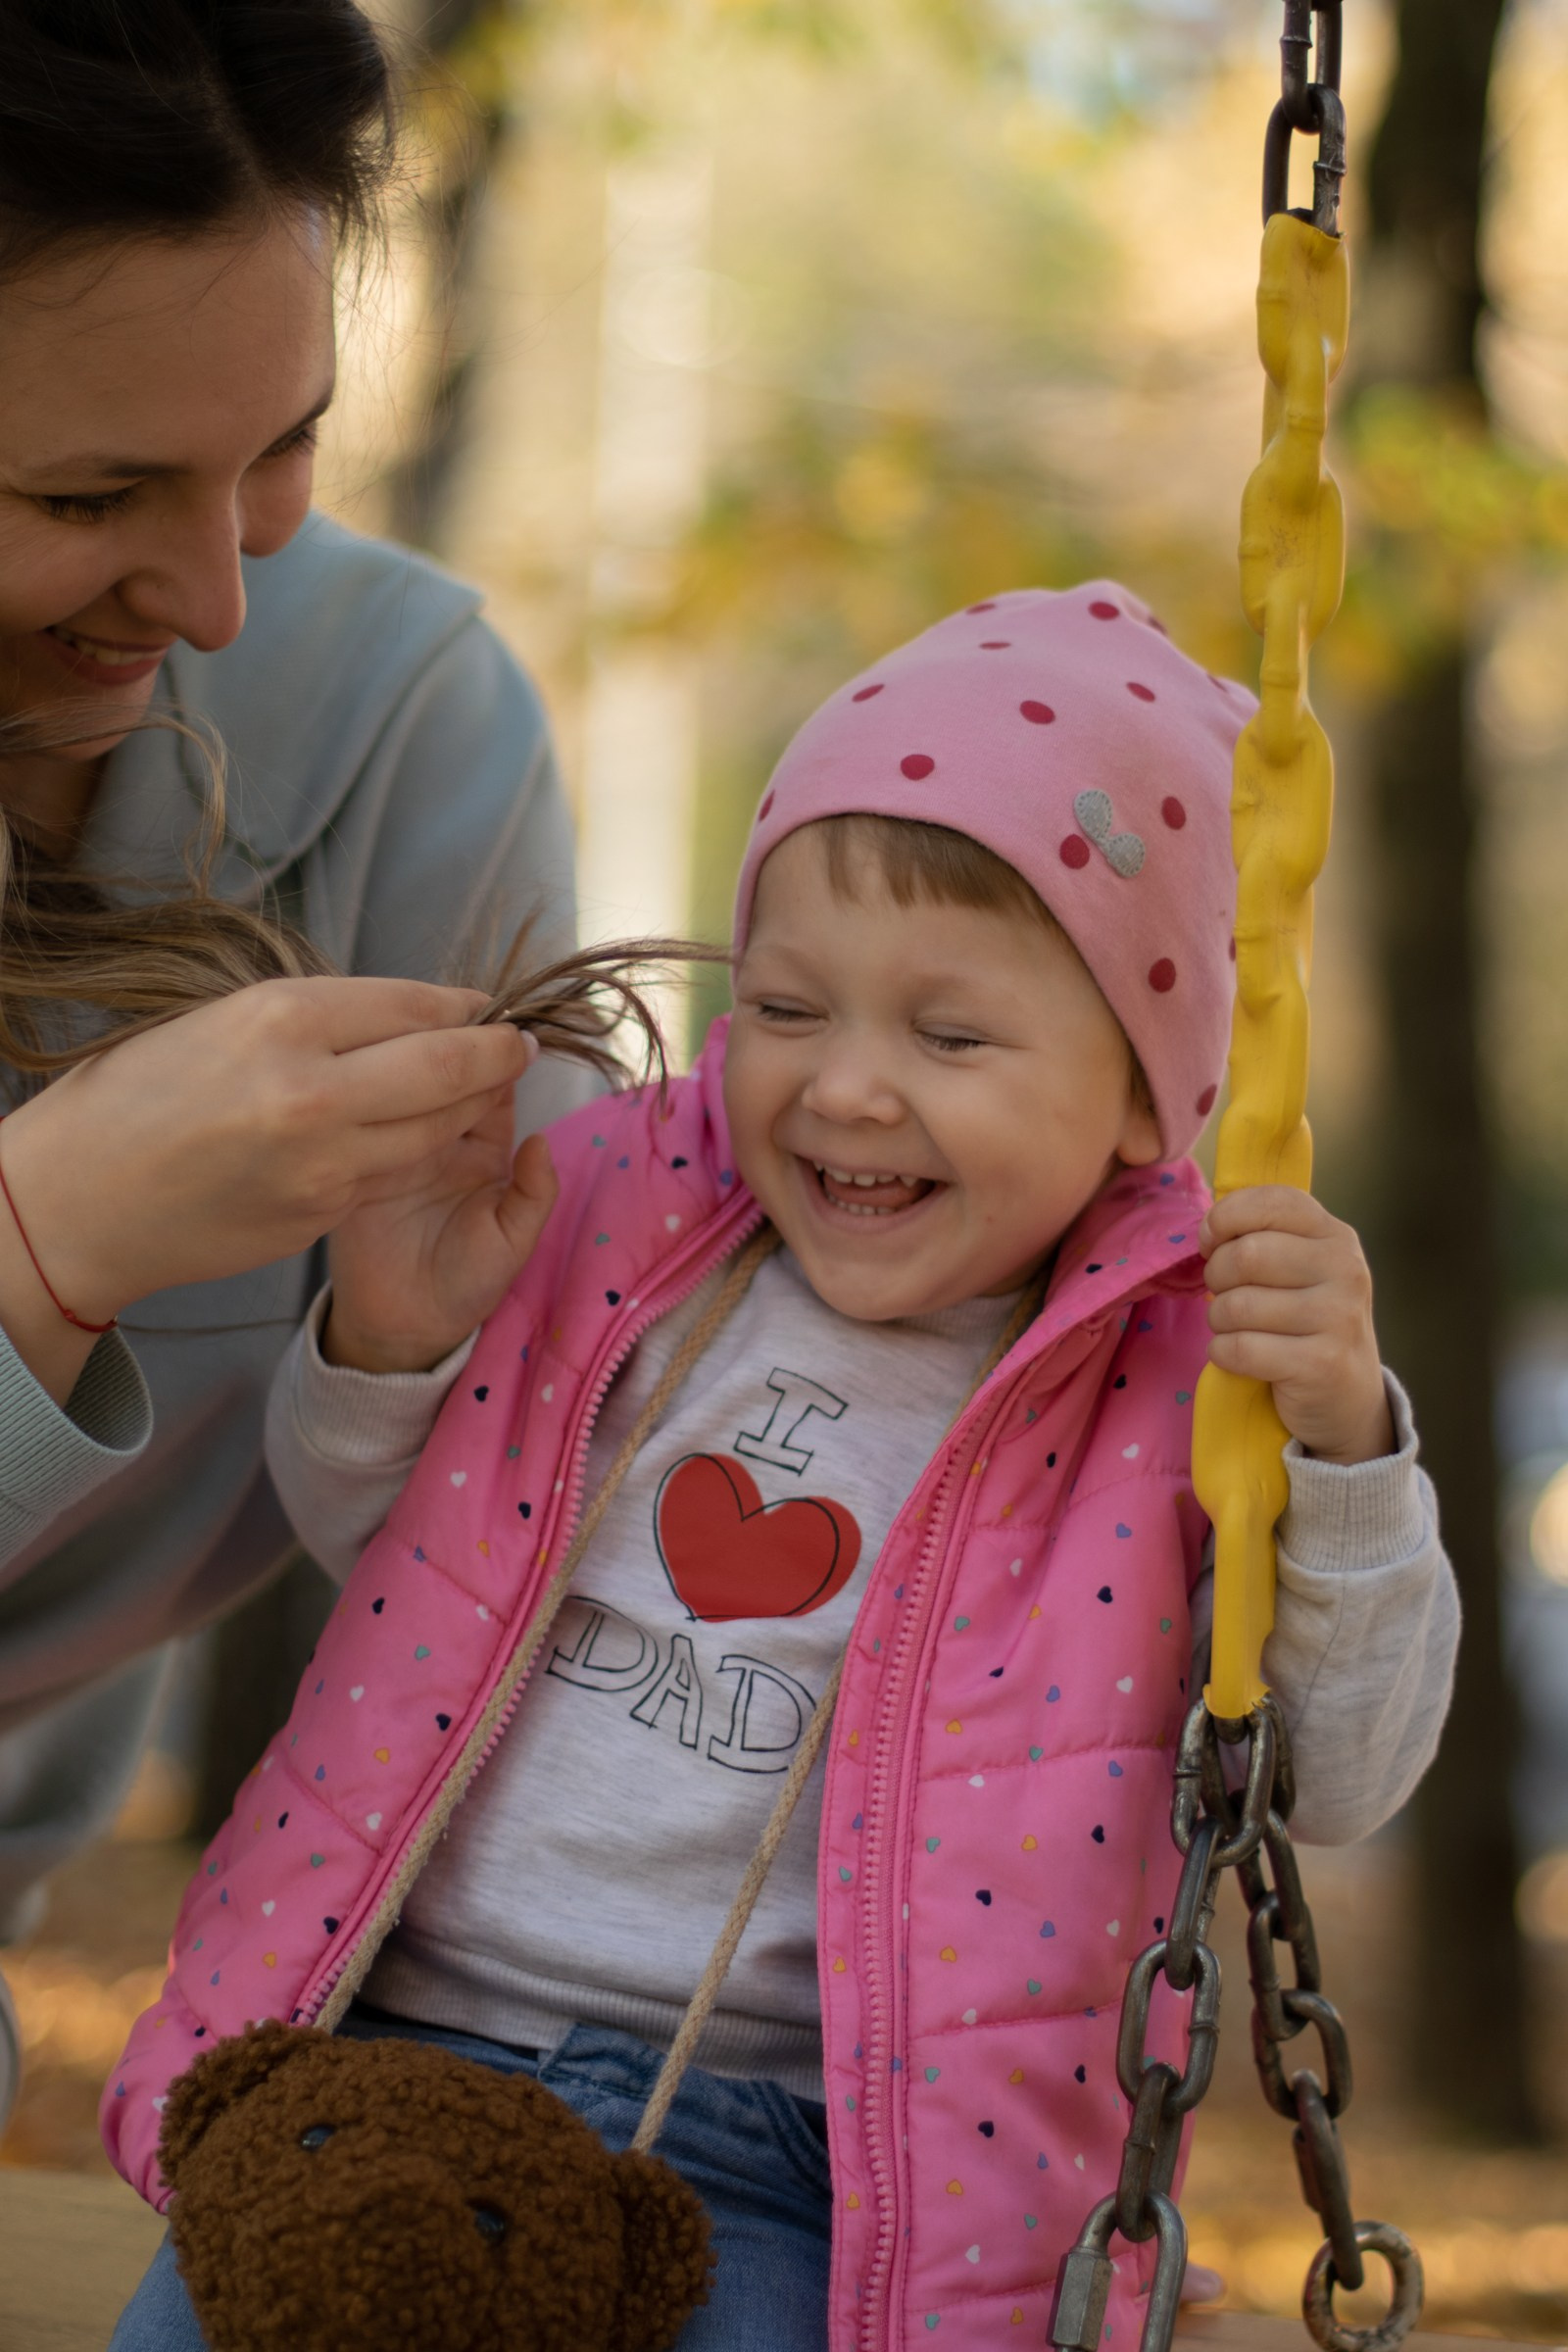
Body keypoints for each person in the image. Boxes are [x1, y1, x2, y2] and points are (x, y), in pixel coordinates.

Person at [107, 585, 1459, 2350]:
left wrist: (1345, 1447)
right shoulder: (620, 1224)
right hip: (383, 2041)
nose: (847, 1091)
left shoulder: (1183, 1393)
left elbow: (1334, 1779)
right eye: (796, 1007)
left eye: (950, 1036)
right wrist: (389, 1348)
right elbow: (370, 1546)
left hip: (810, 2159)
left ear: (1148, 1095)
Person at [0, 0, 584, 1943]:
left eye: (284, 443)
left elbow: (556, 1503)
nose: (219, 599)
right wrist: (48, 1241)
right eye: (87, 500)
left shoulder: (397, 726)